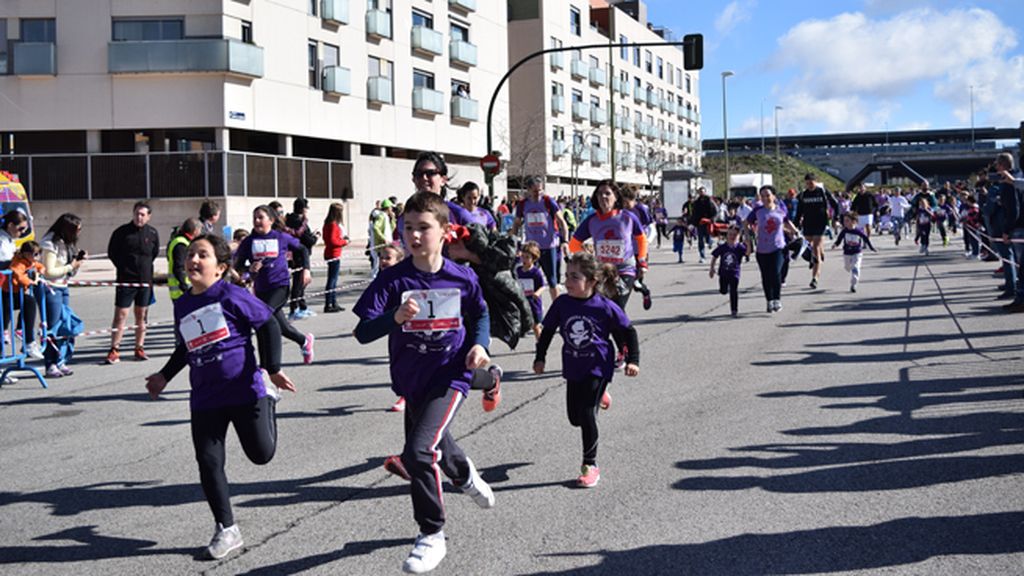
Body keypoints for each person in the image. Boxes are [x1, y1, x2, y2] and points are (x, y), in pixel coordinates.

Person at [352, 192, 495, 574]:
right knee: (435, 442)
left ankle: (431, 534)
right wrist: (394, 318)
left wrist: (480, 344)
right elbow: (362, 331)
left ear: (445, 231)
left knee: (417, 452)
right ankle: (464, 473)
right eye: (407, 228)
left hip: (450, 374)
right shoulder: (393, 279)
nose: (414, 236)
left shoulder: (462, 276)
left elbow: (481, 315)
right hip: (411, 378)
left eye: (423, 228)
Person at [145, 233, 296, 561]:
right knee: (209, 462)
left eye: (202, 255)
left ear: (221, 267)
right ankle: (227, 528)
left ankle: (268, 399)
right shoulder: (183, 303)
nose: (193, 260)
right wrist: (163, 377)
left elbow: (268, 324)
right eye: (190, 255)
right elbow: (186, 346)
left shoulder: (231, 295)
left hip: (244, 391)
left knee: (261, 455)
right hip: (205, 397)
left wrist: (271, 369)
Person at [533, 251, 640, 488]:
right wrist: (540, 358)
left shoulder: (604, 306)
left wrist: (633, 359)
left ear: (591, 281)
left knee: (588, 412)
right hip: (574, 365)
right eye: (566, 276)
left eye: (574, 277)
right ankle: (600, 394)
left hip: (599, 365)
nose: (567, 282)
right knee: (574, 418)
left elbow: (628, 331)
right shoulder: (562, 303)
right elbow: (548, 330)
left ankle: (590, 465)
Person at [233, 205, 315, 364]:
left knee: (263, 320)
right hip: (262, 289)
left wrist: (306, 270)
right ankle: (304, 341)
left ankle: (269, 365)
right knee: (282, 327)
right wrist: (249, 270)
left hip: (280, 286)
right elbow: (238, 266)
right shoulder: (249, 242)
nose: (256, 221)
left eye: (260, 217)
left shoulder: (280, 237)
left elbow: (303, 249)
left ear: (270, 220)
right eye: (254, 217)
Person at [105, 201, 160, 364]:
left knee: (141, 315)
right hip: (126, 281)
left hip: (145, 281)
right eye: (137, 213)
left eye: (143, 214)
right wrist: (124, 268)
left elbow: (154, 254)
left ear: (149, 216)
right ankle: (114, 349)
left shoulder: (152, 233)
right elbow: (112, 253)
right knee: (121, 315)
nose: (139, 217)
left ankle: (139, 347)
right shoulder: (122, 233)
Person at [38, 213, 85, 378]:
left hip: (64, 286)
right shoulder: (50, 243)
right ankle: (50, 363)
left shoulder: (68, 243)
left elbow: (70, 270)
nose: (78, 233)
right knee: (53, 326)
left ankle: (61, 360)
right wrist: (69, 266)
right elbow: (49, 271)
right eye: (76, 230)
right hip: (51, 288)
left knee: (65, 324)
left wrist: (76, 263)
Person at [513, 176, 569, 301]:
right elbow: (516, 224)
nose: (538, 193)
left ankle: (557, 309)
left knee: (552, 281)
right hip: (531, 248)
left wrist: (565, 241)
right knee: (528, 279)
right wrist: (515, 244)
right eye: (535, 191)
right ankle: (532, 307)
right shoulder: (523, 205)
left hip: (548, 247)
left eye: (540, 190)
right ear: (528, 190)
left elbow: (562, 222)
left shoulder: (549, 202)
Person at [747, 186, 800, 313]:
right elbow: (746, 222)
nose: (765, 198)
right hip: (762, 249)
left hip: (778, 247)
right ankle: (769, 301)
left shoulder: (781, 210)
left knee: (776, 273)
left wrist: (796, 232)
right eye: (763, 196)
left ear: (774, 196)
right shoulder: (757, 211)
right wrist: (749, 235)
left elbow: (787, 222)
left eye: (768, 195)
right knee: (766, 276)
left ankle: (777, 299)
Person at [1, 240, 45, 360]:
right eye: (34, 254)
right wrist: (30, 281)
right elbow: (17, 273)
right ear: (26, 254)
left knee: (29, 302)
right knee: (5, 311)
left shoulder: (30, 262)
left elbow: (37, 265)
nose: (37, 257)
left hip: (17, 293)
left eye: (38, 254)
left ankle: (28, 340)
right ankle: (4, 331)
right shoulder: (19, 262)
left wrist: (41, 270)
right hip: (7, 292)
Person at [992, 152, 1024, 312]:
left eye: (997, 164)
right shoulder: (1018, 177)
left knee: (1021, 264)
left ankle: (1020, 298)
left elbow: (1013, 208)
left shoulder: (1010, 182)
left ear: (1003, 165)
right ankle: (1019, 295)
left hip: (1018, 227)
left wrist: (1007, 230)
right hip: (1019, 225)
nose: (995, 167)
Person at [795, 174, 838, 289]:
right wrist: (795, 226)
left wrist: (836, 217)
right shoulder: (803, 195)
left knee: (816, 249)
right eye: (807, 183)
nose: (809, 185)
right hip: (808, 224)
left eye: (811, 183)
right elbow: (799, 211)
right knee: (806, 247)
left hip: (821, 223)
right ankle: (814, 258)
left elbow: (835, 204)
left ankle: (815, 278)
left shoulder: (822, 192)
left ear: (816, 181)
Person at [619, 186, 654, 310]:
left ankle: (645, 292)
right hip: (626, 253)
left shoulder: (641, 209)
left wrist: (646, 243)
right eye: (623, 202)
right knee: (625, 283)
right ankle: (619, 310)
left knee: (635, 283)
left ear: (634, 199)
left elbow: (651, 228)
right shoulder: (620, 211)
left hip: (639, 251)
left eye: (627, 202)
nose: (625, 205)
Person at [286, 198, 319, 320]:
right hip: (299, 254)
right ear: (302, 208)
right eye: (306, 208)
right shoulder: (298, 221)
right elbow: (306, 239)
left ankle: (302, 306)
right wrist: (315, 237)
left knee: (300, 283)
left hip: (298, 253)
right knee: (298, 283)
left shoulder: (292, 220)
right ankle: (294, 308)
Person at [833, 212, 877, 292]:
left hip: (857, 252)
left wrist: (871, 247)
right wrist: (835, 244)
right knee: (847, 267)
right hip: (847, 253)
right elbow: (839, 239)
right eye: (844, 221)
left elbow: (865, 238)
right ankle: (851, 268)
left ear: (854, 221)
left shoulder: (858, 231)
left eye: (847, 220)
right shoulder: (844, 231)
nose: (845, 222)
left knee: (855, 268)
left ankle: (853, 285)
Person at [708, 225, 747, 317]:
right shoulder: (723, 247)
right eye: (730, 234)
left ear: (738, 236)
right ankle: (724, 289)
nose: (732, 236)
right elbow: (714, 256)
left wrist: (748, 243)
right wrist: (712, 268)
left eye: (735, 235)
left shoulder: (740, 247)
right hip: (723, 273)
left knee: (734, 291)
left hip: (735, 273)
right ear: (727, 235)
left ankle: (734, 310)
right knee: (723, 291)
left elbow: (748, 253)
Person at [322, 202, 349, 313]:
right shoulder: (333, 225)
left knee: (333, 279)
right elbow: (333, 241)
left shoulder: (327, 223)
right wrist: (344, 242)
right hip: (334, 253)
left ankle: (333, 302)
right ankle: (329, 303)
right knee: (332, 280)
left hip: (330, 252)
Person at [516, 241, 546, 338]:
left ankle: (540, 344)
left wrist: (537, 293)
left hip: (533, 303)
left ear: (533, 259)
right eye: (523, 257)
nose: (524, 259)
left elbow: (543, 286)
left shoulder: (535, 272)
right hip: (522, 301)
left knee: (536, 326)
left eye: (527, 257)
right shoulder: (518, 271)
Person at [167, 218, 202, 301]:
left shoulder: (180, 240)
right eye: (200, 230)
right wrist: (184, 287)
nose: (200, 232)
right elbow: (179, 267)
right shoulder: (181, 244)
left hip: (182, 289)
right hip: (181, 290)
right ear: (195, 231)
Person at [689, 187, 716, 263]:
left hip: (708, 222)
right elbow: (694, 213)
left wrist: (712, 219)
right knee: (700, 240)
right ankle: (702, 256)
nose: (701, 193)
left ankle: (710, 241)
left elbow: (715, 211)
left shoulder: (709, 200)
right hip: (699, 223)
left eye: (703, 191)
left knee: (707, 238)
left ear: (705, 192)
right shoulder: (696, 202)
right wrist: (693, 223)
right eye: (700, 192)